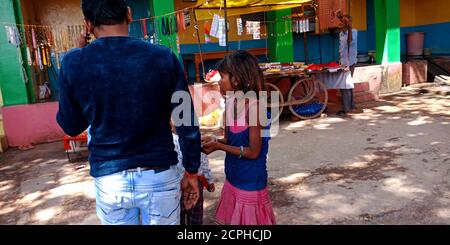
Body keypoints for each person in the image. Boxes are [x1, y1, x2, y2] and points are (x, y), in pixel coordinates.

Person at [56, 0, 201, 225]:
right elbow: (186, 121)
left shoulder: (73, 62)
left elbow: (71, 126)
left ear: (87, 24)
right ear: (130, 15)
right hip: (160, 175)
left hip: (110, 179)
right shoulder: (164, 57)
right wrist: (191, 171)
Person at [202, 51, 276, 225]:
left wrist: (219, 147)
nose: (219, 81)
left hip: (250, 183)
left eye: (223, 76)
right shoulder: (230, 104)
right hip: (233, 180)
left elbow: (253, 152)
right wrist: (214, 141)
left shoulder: (255, 108)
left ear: (236, 79)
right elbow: (231, 141)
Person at [172, 125, 215, 225]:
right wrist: (209, 180)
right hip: (191, 184)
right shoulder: (195, 139)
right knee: (195, 217)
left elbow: (204, 161)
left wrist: (209, 180)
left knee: (179, 217)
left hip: (179, 185)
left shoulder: (167, 141)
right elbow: (204, 163)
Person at [336, 13, 362, 117]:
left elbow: (350, 41)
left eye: (343, 22)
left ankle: (349, 107)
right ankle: (349, 106)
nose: (340, 24)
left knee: (347, 84)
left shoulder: (354, 32)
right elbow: (341, 48)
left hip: (350, 62)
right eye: (341, 22)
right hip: (343, 62)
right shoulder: (341, 34)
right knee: (345, 84)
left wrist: (350, 28)